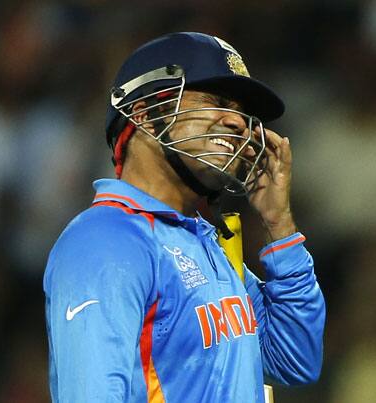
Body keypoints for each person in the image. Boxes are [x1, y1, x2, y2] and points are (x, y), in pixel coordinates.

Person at [43, 32, 325, 403]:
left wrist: (280, 225)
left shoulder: (205, 242)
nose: (239, 123)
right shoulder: (104, 241)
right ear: (145, 114)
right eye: (216, 100)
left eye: (242, 111)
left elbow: (295, 359)